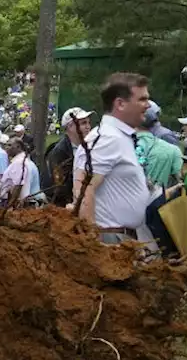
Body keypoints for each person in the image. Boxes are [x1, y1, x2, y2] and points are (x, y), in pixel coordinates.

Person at [71, 73, 152, 244]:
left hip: (121, 237)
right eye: (142, 99)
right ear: (120, 104)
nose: (148, 105)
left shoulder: (118, 137)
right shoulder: (107, 138)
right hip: (108, 239)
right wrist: (93, 244)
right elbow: (84, 190)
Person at [45, 108, 92, 206]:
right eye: (83, 123)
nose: (88, 127)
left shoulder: (90, 147)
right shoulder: (59, 152)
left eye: (88, 123)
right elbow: (59, 186)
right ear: (70, 127)